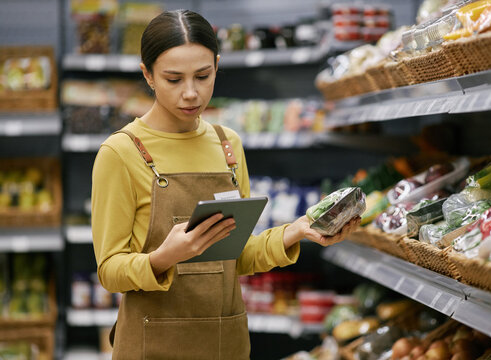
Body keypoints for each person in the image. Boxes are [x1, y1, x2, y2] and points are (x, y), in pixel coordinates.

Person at [91, 9, 362, 360]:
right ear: (148, 75)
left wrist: (295, 231)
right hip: (151, 346)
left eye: (203, 76)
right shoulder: (120, 153)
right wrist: (163, 258)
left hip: (225, 343)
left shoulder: (227, 144)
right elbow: (110, 271)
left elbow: (237, 256)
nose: (191, 93)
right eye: (174, 80)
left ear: (217, 66)